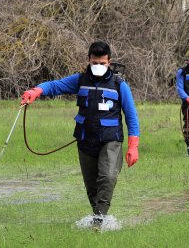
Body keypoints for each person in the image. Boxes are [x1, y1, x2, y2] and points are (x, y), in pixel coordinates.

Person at [20, 41, 140, 228]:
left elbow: (131, 116)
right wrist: (37, 91)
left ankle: (100, 219)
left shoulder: (119, 85)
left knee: (107, 177)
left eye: (102, 63)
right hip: (85, 141)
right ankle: (98, 217)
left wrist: (133, 146)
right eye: (94, 62)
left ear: (109, 62)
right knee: (92, 187)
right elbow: (55, 86)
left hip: (111, 141)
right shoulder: (80, 80)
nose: (98, 66)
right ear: (89, 60)